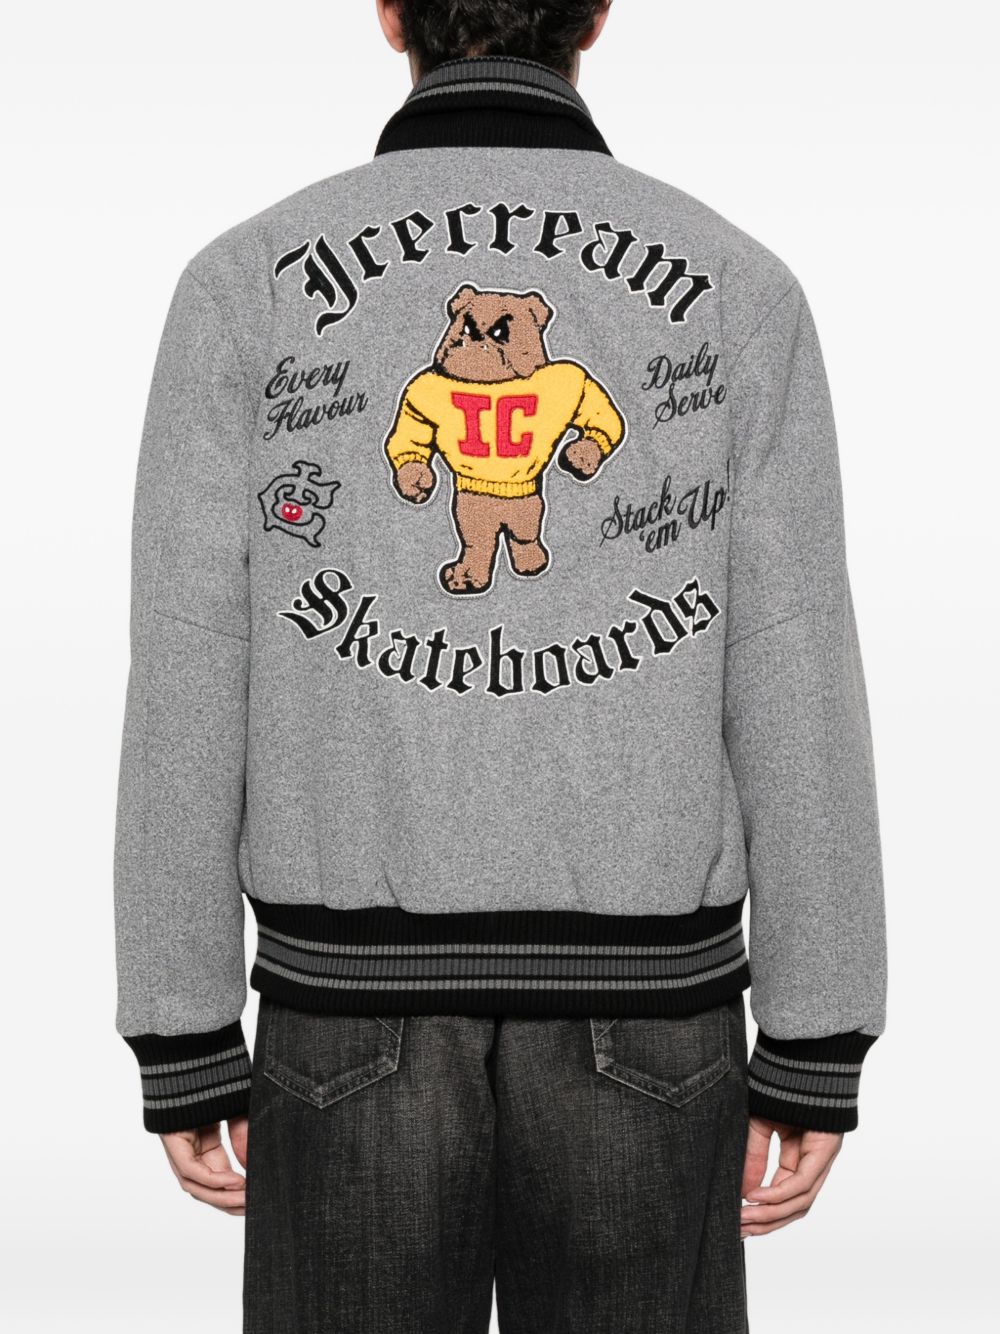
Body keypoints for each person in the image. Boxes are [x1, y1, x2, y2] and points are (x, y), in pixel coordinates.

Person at [113, 2, 887, 1329]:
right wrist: (821, 1025)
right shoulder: (740, 288)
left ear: (390, 15)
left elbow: (189, 660)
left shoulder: (244, 285)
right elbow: (795, 658)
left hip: (343, 1013)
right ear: (596, 15)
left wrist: (177, 1018)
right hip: (653, 1018)